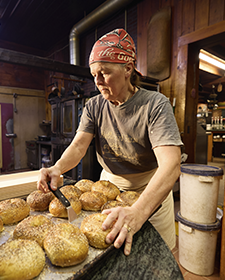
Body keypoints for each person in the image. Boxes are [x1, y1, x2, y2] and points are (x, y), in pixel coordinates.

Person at [37, 28, 183, 255]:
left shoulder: (155, 105)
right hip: (107, 191)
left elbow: (171, 165)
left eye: (104, 73)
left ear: (127, 68)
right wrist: (57, 168)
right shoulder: (94, 106)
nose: (98, 81)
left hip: (149, 190)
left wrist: (138, 211)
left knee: (155, 261)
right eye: (94, 75)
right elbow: (78, 146)